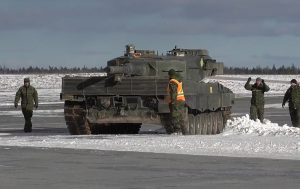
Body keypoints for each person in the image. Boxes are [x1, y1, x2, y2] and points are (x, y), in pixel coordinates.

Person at [167, 69, 186, 134]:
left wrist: (173, 101)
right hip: (181, 99)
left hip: (176, 101)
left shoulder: (172, 81)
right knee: (180, 115)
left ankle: (177, 130)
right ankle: (183, 130)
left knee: (175, 115)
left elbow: (174, 92)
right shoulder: (179, 80)